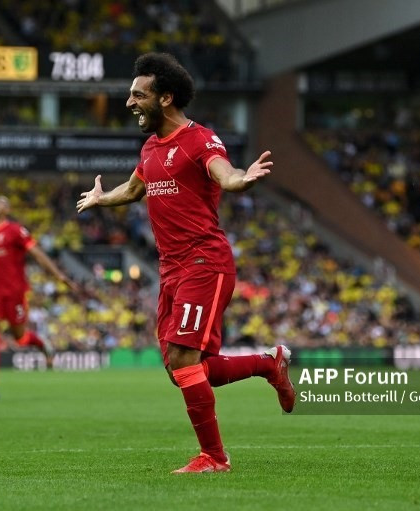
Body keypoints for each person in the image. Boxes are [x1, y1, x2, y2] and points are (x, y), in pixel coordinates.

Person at [77, 52, 295, 474]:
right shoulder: (151, 147)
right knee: (185, 370)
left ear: (166, 98)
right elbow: (136, 187)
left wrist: (239, 179)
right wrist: (104, 198)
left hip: (204, 262)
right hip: (171, 271)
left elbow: (222, 171)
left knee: (183, 361)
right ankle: (269, 363)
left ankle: (214, 458)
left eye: (138, 95)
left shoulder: (200, 140)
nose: (129, 103)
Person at [0, 195, 79, 401]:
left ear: (7, 210)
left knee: (20, 338)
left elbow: (37, 254)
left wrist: (59, 275)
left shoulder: (15, 231)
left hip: (14, 292)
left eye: (0, 203)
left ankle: (43, 345)